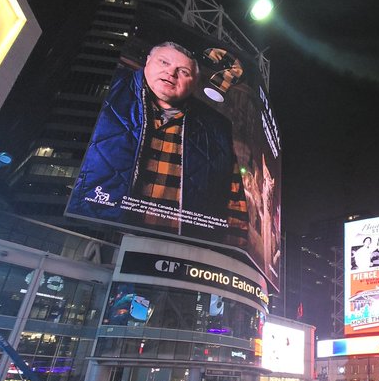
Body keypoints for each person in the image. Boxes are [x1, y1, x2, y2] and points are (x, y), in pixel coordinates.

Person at [67, 41, 246, 242]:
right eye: (164, 62)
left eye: (184, 72)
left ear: (195, 82)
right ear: (148, 61)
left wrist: (230, 254)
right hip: (91, 236)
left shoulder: (217, 127)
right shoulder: (109, 89)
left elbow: (234, 200)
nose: (171, 73)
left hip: (176, 252)